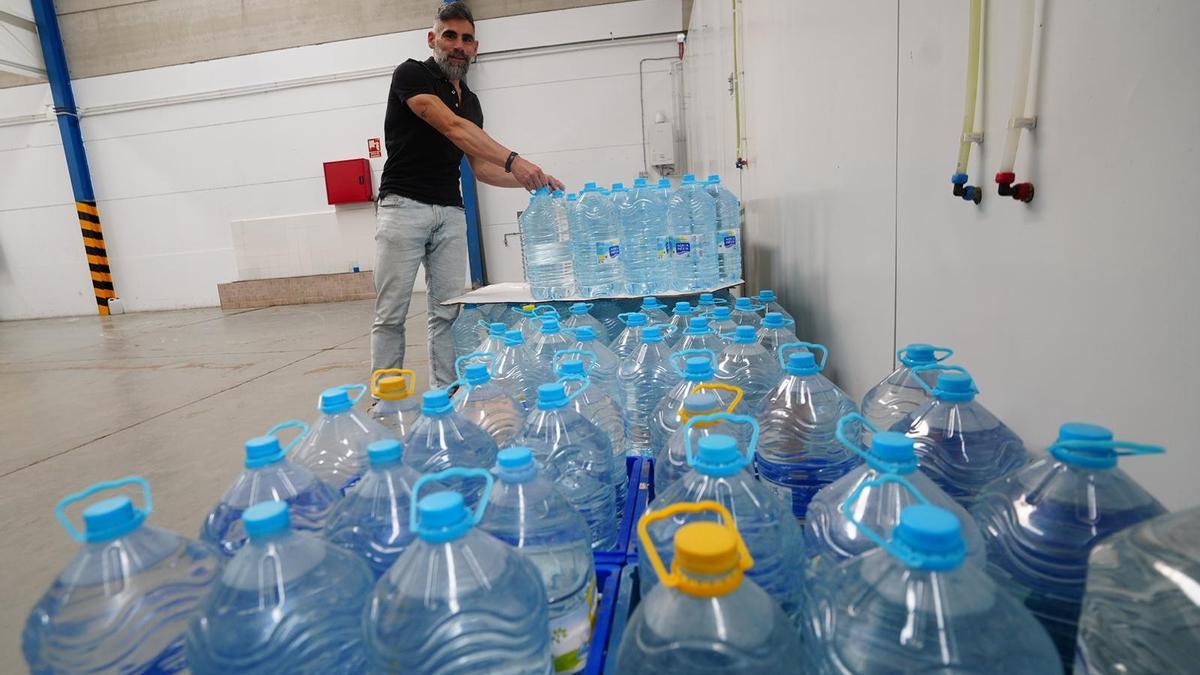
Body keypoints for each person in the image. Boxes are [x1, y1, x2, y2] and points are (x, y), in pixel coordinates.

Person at [371, 1, 562, 388]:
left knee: (447, 312)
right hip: (402, 206)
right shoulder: (412, 75)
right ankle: (386, 400)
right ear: (433, 39)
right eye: (450, 36)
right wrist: (515, 160)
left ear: (476, 47)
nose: (459, 45)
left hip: (450, 214)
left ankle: (448, 392)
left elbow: (479, 166)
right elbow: (452, 127)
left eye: (467, 39)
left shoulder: (471, 101)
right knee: (391, 314)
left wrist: (532, 178)